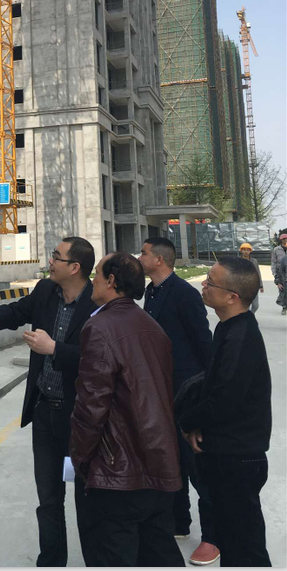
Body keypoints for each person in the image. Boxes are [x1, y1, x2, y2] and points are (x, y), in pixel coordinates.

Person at [0, 236, 96, 567]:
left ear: (75, 267)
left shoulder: (97, 301)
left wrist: (55, 349)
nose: (50, 261)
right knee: (48, 499)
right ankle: (51, 561)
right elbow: (19, 310)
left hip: (80, 418)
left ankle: (97, 561)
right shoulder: (46, 290)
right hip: (45, 413)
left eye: (56, 257)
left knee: (87, 497)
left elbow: (99, 358)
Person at [70, 252, 185, 567]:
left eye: (96, 274)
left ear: (110, 280)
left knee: (113, 555)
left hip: (117, 472)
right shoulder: (152, 326)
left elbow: (91, 406)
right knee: (157, 552)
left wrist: (81, 460)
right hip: (160, 464)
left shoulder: (99, 327)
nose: (92, 281)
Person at [180, 257, 272, 567]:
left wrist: (187, 421)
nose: (204, 285)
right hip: (225, 453)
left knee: (246, 550)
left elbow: (224, 399)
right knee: (233, 544)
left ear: (232, 296)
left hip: (238, 459)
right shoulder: (228, 327)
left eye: (210, 281)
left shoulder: (240, 336)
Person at [139, 237, 218, 566]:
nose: (139, 257)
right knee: (171, 461)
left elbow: (204, 344)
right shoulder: (151, 292)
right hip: (160, 392)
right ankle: (179, 522)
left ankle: (213, 536)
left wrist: (204, 398)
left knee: (197, 466)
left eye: (144, 253)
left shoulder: (184, 294)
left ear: (159, 260)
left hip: (186, 393)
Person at [238, 242, 264, 314]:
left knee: (255, 306)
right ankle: (245, 317)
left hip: (253, 286)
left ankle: (250, 316)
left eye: (248, 250)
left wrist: (261, 285)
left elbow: (258, 273)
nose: (246, 252)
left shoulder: (254, 261)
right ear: (241, 251)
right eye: (244, 250)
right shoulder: (238, 261)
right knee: (245, 305)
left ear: (250, 251)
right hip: (242, 287)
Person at [273, 235, 287, 314]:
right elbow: (273, 262)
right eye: (284, 239)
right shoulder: (276, 250)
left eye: (286, 238)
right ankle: (284, 307)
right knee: (282, 291)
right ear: (281, 240)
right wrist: (275, 274)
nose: (285, 240)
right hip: (280, 272)